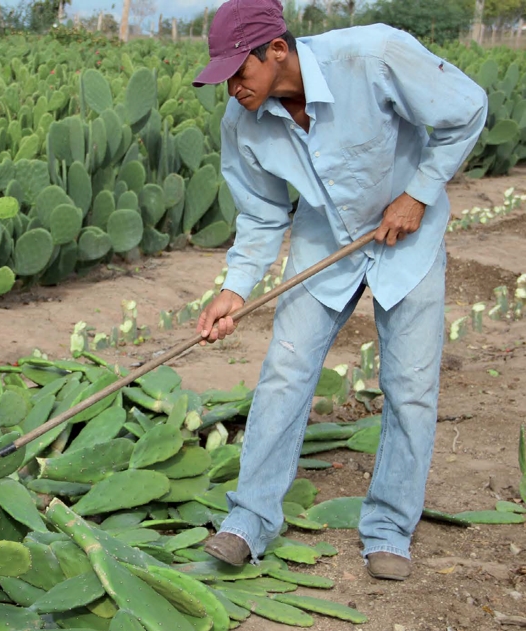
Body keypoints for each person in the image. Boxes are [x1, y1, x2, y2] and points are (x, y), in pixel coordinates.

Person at [191, 0, 487, 581]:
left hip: (410, 242)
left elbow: (469, 108)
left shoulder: (372, 55)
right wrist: (235, 287)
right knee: (285, 372)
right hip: (325, 245)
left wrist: (420, 193)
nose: (231, 89)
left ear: (277, 49)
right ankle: (248, 522)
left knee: (410, 387)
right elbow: (259, 216)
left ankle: (389, 529)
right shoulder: (242, 122)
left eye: (238, 71)